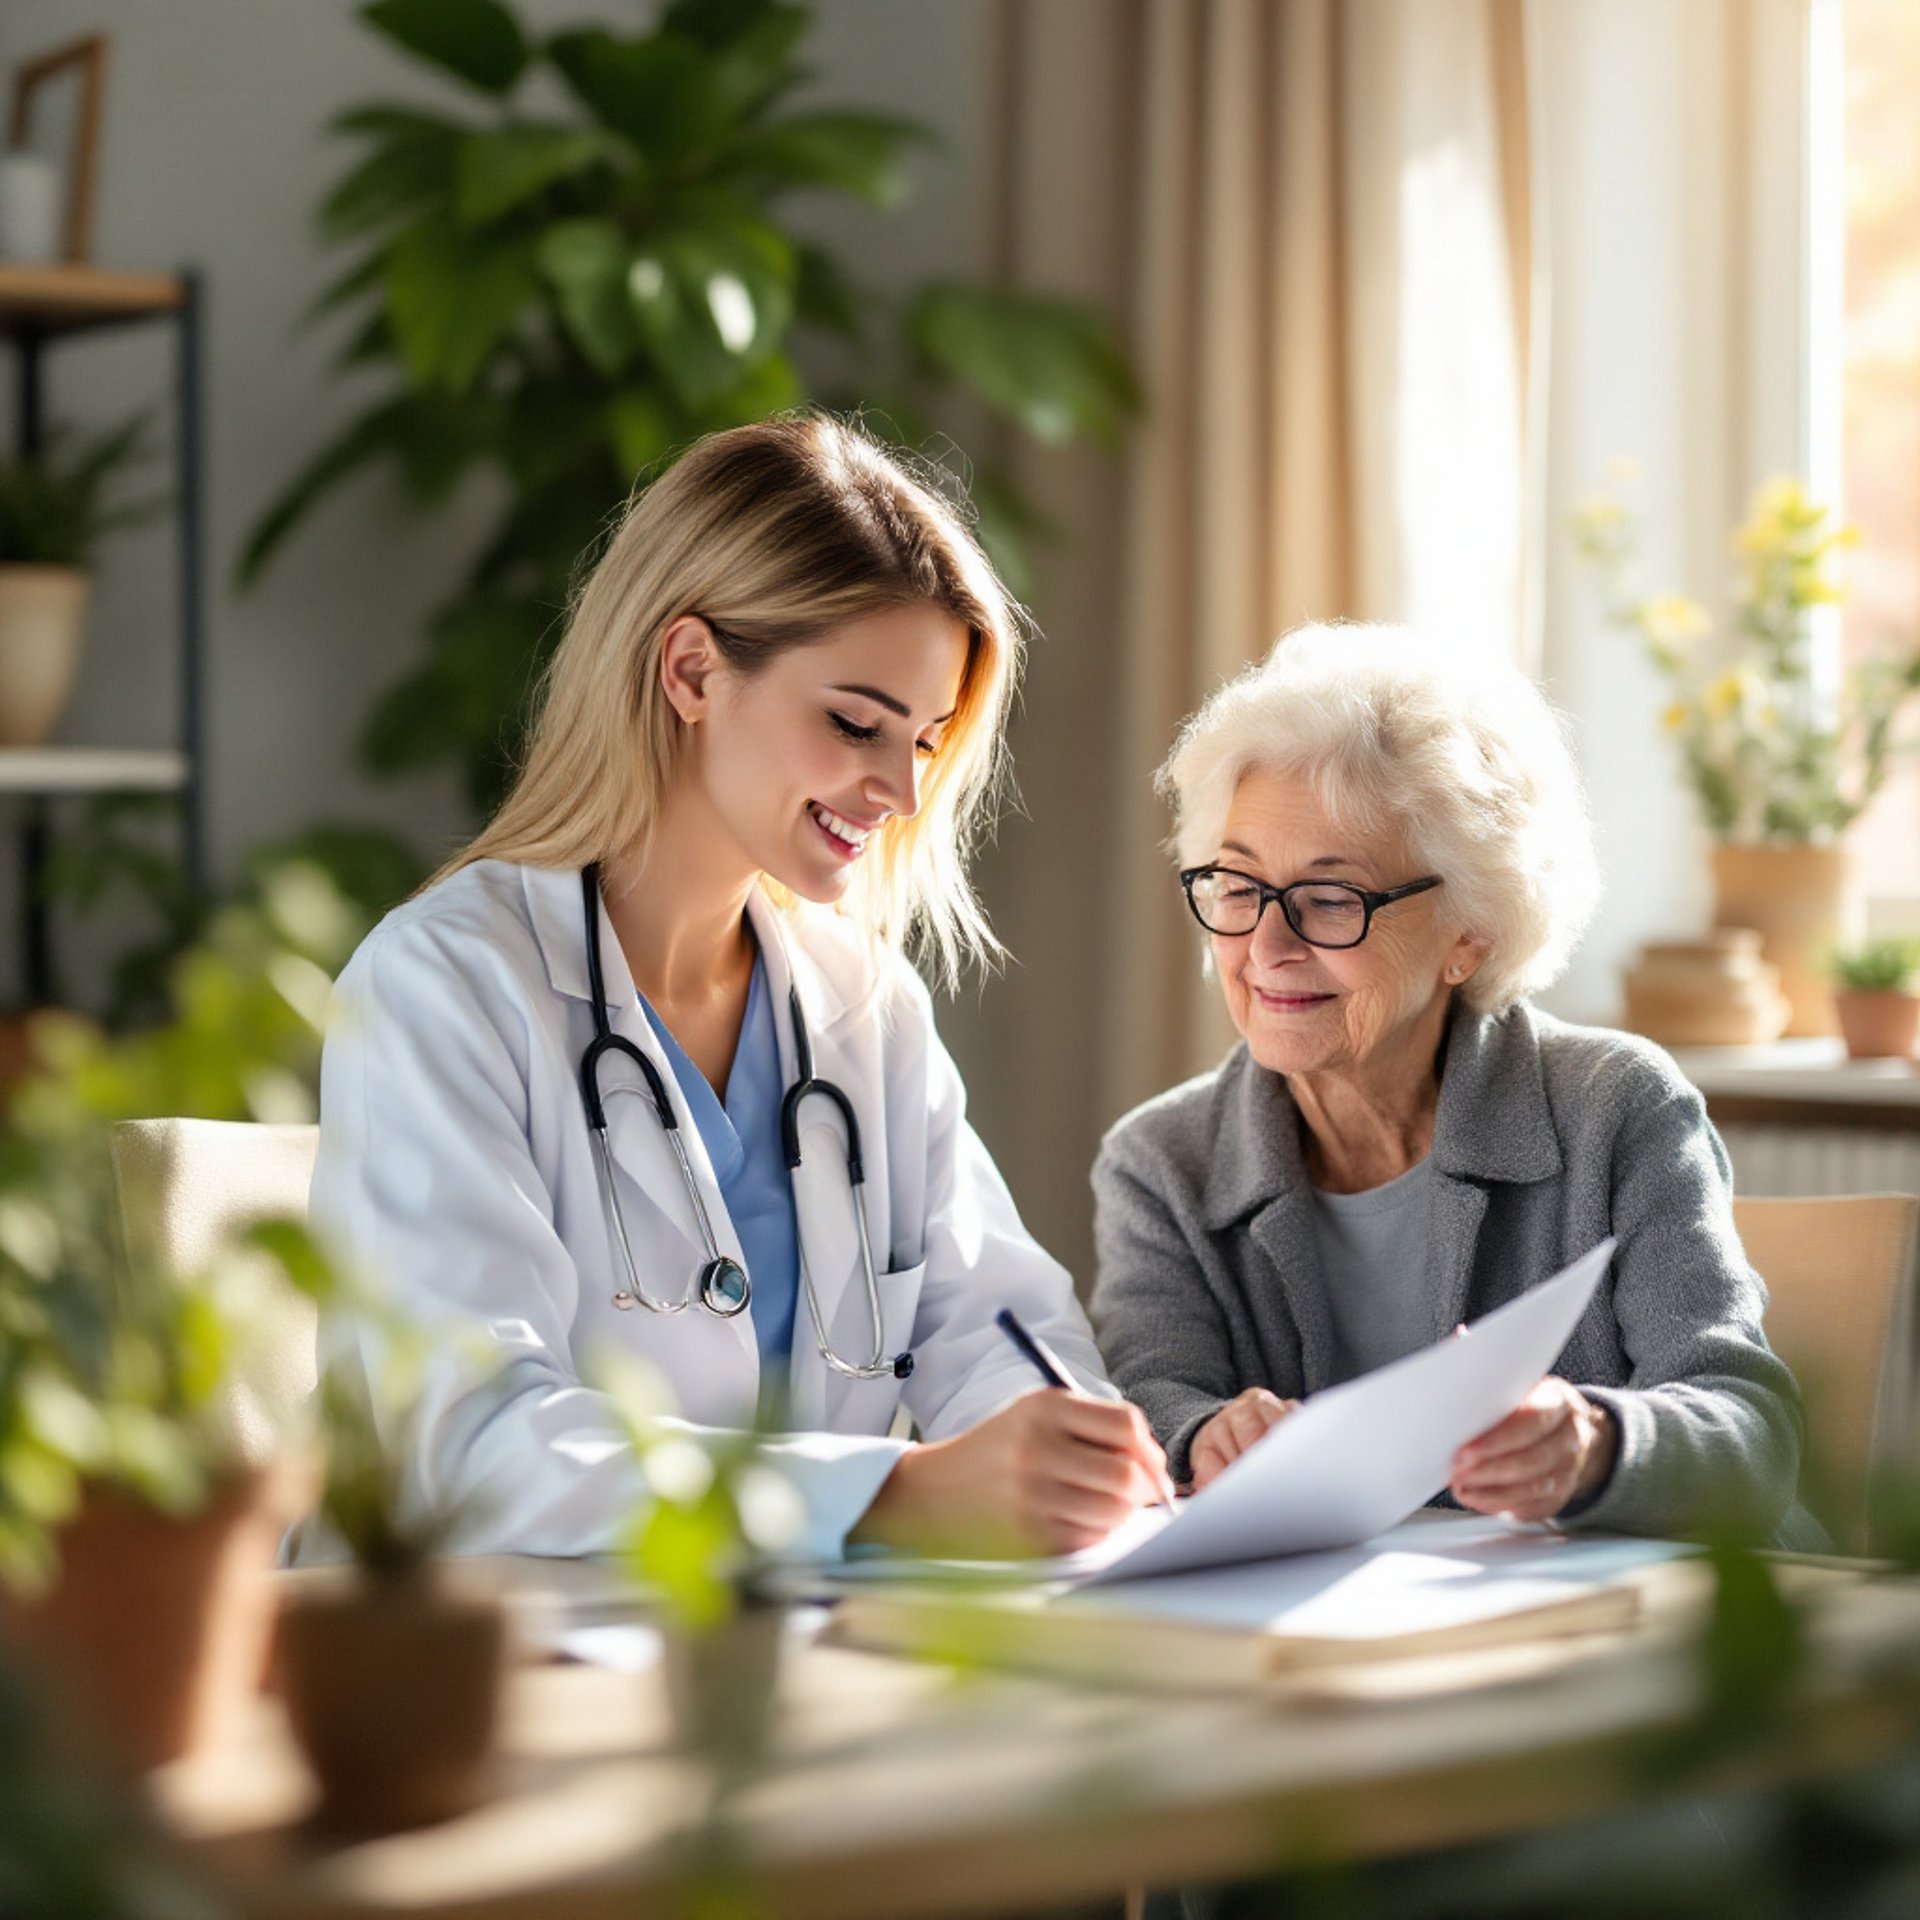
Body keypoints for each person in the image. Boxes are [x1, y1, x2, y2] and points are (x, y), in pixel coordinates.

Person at [310, 416, 1170, 1563]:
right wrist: (896, 1495)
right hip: (501, 1662)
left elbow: (997, 1323)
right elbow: (474, 1443)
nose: (900, 792)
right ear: (692, 670)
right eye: (855, 724)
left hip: (790, 1649)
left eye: (924, 739)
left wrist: (1067, 1455)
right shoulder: (445, 986)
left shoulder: (863, 1004)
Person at [1091, 622, 1819, 1546]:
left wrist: (1598, 1446)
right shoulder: (1162, 1163)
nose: (1265, 948)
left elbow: (1754, 1433)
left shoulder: (1614, 1109)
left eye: (1329, 898)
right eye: (1238, 886)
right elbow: (1148, 1397)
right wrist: (1203, 1438)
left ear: (1469, 931)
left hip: (1651, 1633)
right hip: (1369, 1646)